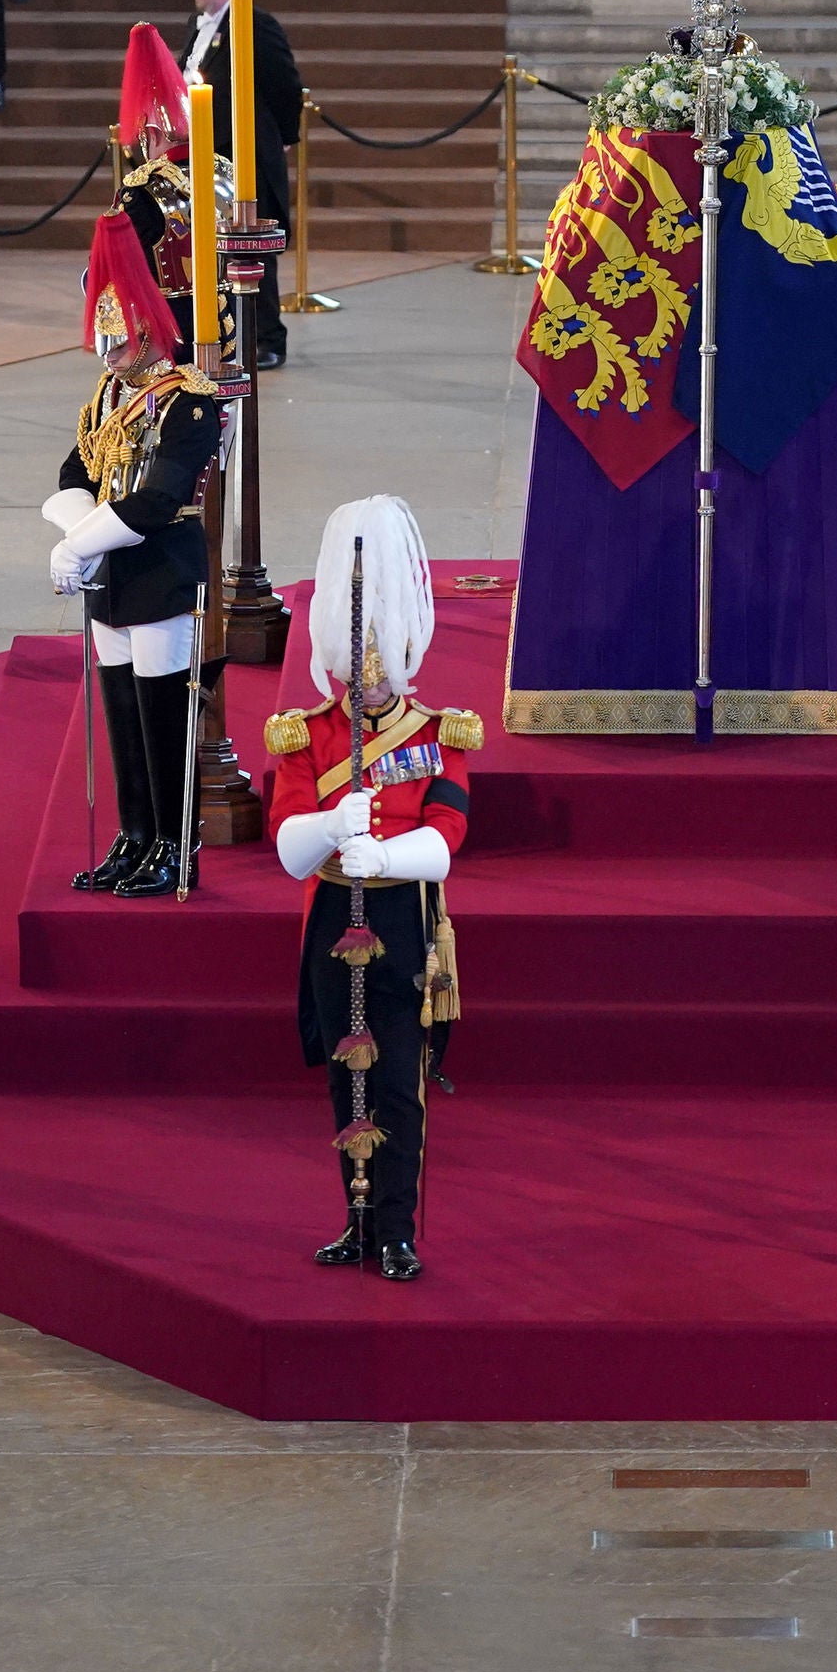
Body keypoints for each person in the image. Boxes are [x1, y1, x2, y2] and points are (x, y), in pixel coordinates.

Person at [264, 495, 475, 1281]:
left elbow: (445, 842)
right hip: (330, 921)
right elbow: (287, 845)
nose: (370, 680)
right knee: (343, 1082)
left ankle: (396, 1229)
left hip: (398, 915)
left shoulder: (434, 733)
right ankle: (353, 1221)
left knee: (396, 1085)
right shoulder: (308, 732)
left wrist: (376, 852)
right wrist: (328, 829)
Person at [46, 135, 223, 896]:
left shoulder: (187, 398)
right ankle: (136, 833)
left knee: (160, 716)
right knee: (120, 715)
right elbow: (72, 469)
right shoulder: (108, 396)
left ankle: (176, 846)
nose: (108, 351)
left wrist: (84, 539)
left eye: (118, 338)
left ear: (149, 327)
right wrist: (75, 539)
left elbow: (157, 498)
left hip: (160, 573)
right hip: (112, 576)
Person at [173, 0, 302, 369]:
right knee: (220, 252)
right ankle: (226, 334)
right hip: (207, 162)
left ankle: (268, 338)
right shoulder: (197, 29)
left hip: (247, 160)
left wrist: (284, 136)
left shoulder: (253, 23)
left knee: (252, 249)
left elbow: (284, 82)